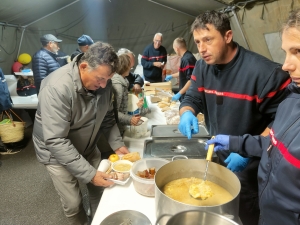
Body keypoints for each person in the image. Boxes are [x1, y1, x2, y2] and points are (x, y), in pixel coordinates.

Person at [178, 10, 291, 225]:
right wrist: (186, 113)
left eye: (208, 40)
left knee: (246, 215)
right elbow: (192, 97)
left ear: (228, 36)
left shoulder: (265, 73)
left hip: (251, 169)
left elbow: (281, 122)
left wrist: (247, 152)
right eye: (198, 42)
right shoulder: (203, 67)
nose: (201, 49)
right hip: (218, 158)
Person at [32, 41, 130, 225]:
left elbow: (107, 118)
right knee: (73, 202)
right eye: (100, 79)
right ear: (83, 66)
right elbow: (56, 140)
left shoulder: (103, 81)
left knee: (100, 189)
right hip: (55, 152)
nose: (103, 86)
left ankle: (97, 220)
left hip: (88, 143)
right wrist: (90, 174)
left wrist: (117, 144)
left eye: (107, 80)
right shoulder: (56, 88)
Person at [111, 54, 143, 135]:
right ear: (125, 67)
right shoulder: (118, 86)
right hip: (116, 129)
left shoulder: (124, 81)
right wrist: (129, 119)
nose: (130, 68)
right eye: (130, 66)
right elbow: (113, 112)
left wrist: (136, 103)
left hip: (121, 126)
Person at [165, 37, 197, 102]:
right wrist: (171, 76)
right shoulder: (186, 56)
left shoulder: (187, 59)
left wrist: (180, 93)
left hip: (189, 95)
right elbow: (183, 72)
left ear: (177, 49)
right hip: (185, 93)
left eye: (174, 49)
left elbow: (191, 80)